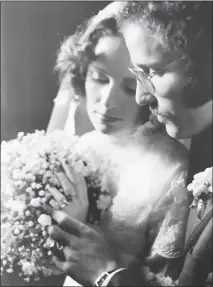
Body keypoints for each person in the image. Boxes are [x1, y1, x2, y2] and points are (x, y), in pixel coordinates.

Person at [48, 1, 212, 286]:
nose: (139, 97)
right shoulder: (82, 146)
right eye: (98, 78)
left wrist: (106, 274)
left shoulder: (170, 165)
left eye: (151, 72)